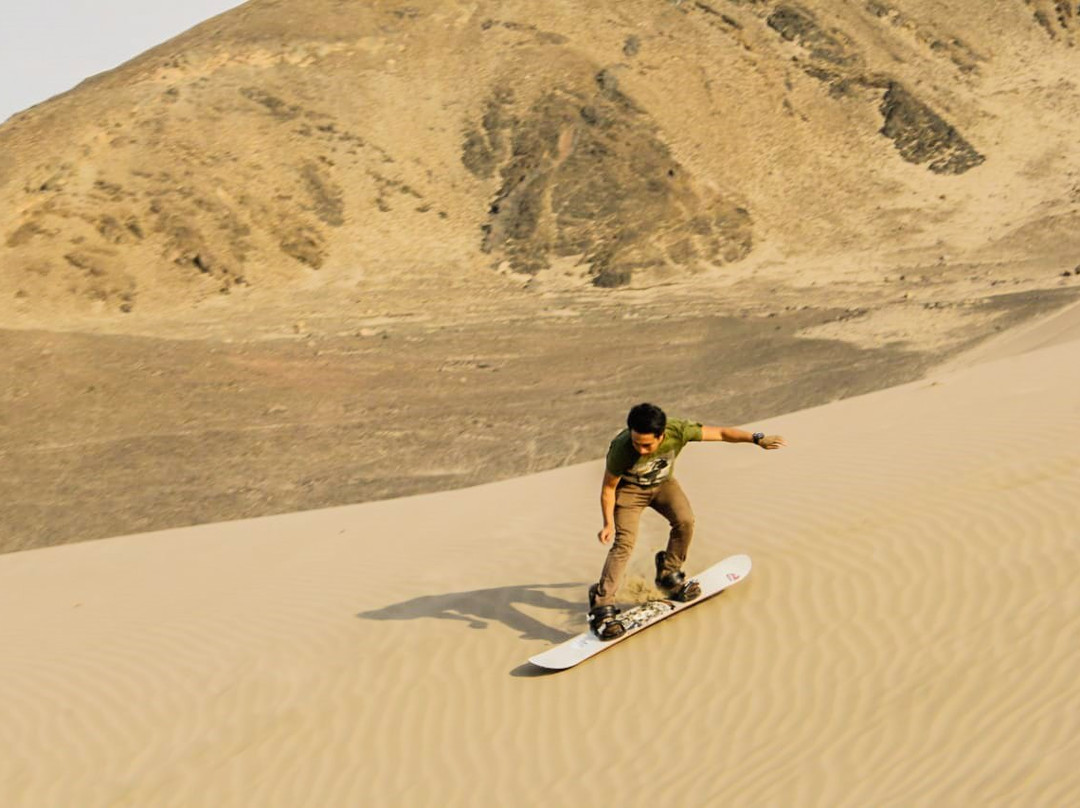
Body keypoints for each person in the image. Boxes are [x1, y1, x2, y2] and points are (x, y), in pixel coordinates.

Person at [588, 402, 786, 640]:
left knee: (685, 521)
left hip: (663, 486)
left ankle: (668, 573)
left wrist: (757, 438)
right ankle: (601, 608)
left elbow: (722, 433)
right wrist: (608, 522)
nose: (641, 450)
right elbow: (609, 489)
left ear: (662, 435)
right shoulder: (621, 449)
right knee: (624, 544)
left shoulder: (678, 430)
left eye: (647, 444)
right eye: (636, 443)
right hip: (630, 492)